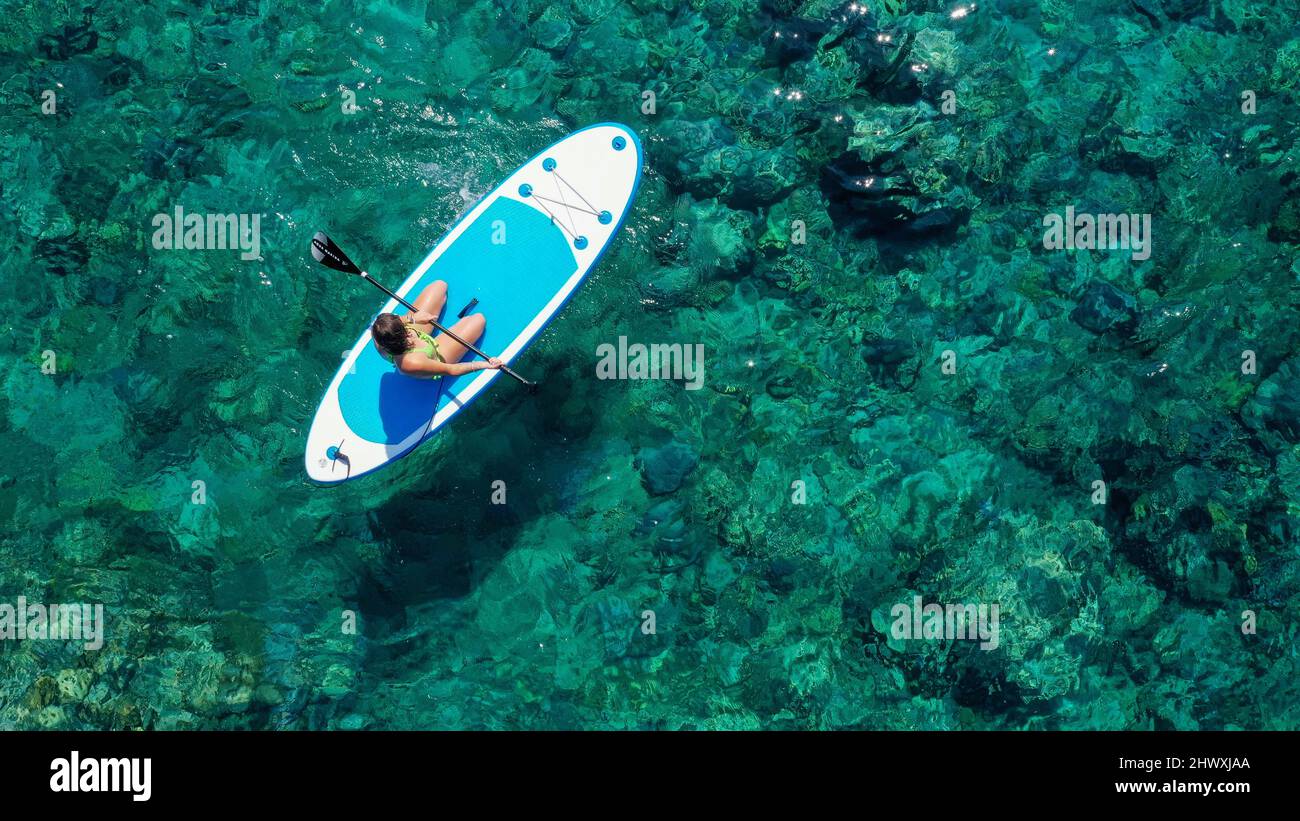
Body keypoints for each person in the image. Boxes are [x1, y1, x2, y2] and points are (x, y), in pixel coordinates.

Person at [370, 280, 502, 378]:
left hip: (411, 340)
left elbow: (396, 320)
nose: (409, 330)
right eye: (406, 331)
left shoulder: (379, 331)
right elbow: (451, 370)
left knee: (440, 286)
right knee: (478, 319)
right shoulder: (411, 363)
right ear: (403, 337)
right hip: (433, 357)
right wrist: (485, 364)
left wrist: (414, 319)